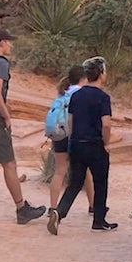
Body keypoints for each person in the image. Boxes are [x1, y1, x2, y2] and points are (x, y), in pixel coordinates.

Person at [0, 29, 48, 226]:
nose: (11, 45)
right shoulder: (1, 64)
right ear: (2, 43)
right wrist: (6, 116)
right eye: (9, 42)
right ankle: (21, 208)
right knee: (9, 163)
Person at [53, 58, 116, 232]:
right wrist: (106, 142)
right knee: (100, 182)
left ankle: (60, 211)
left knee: (74, 183)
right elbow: (106, 124)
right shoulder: (103, 97)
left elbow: (71, 121)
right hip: (95, 144)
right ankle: (99, 220)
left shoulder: (76, 95)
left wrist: (74, 140)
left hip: (77, 143)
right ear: (101, 74)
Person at [47, 65, 92, 215]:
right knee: (86, 172)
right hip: (76, 136)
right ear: (83, 78)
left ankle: (52, 207)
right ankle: (93, 206)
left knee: (59, 171)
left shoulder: (62, 95)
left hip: (60, 135)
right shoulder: (82, 94)